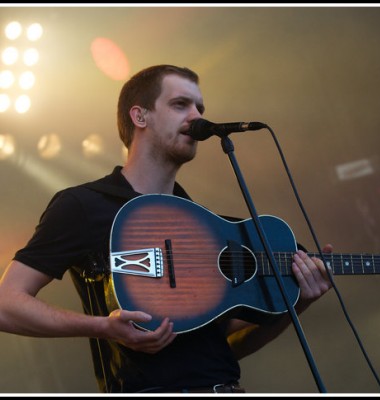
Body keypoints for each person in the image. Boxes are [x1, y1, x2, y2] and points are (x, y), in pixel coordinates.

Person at [0, 64, 333, 393]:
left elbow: (225, 349)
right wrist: (104, 327)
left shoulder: (204, 225)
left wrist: (297, 303)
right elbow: (6, 304)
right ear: (140, 116)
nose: (196, 116)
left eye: (199, 107)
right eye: (180, 104)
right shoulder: (84, 205)